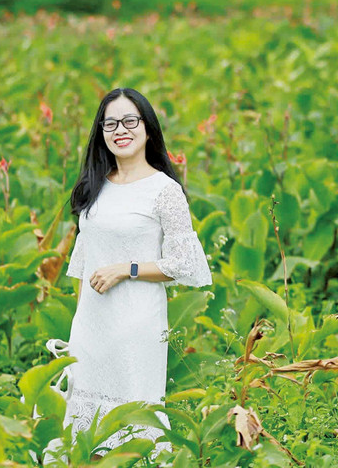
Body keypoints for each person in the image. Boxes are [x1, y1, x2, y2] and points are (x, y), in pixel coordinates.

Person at [62, 87, 212, 457]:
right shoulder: (94, 186)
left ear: (148, 128)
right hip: (91, 326)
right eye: (109, 123)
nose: (120, 130)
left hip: (136, 325)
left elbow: (185, 264)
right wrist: (79, 323)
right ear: (101, 133)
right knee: (87, 436)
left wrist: (126, 269)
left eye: (130, 120)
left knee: (134, 428)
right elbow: (83, 259)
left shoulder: (164, 191)